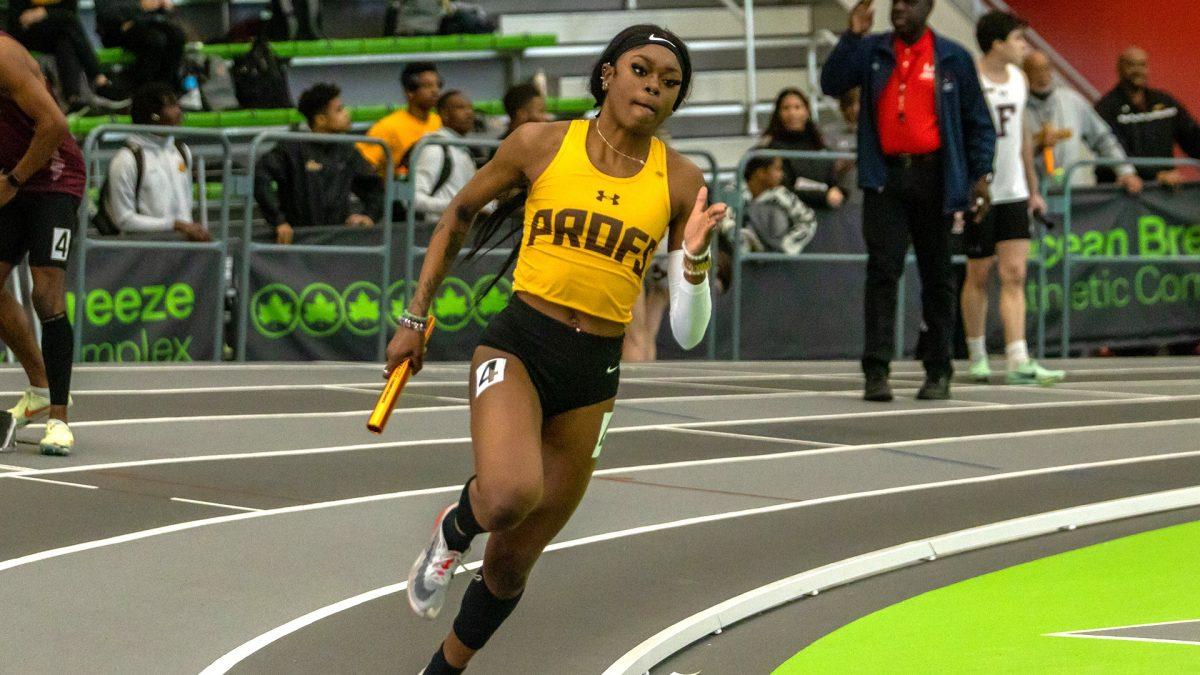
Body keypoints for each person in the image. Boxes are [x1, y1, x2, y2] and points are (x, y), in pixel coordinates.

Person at [385, 25, 725, 673]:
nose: (653, 84)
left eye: (670, 80)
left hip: (592, 375)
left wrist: (697, 257)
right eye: (641, 68)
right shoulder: (541, 142)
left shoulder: (681, 180)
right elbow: (457, 215)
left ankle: (443, 669)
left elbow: (687, 331)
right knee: (509, 493)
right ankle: (458, 525)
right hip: (519, 346)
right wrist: (415, 316)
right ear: (607, 74)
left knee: (511, 565)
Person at [821, 0, 996, 402]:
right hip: (886, 178)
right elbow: (831, 83)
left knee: (938, 277)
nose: (900, 7)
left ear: (929, 7)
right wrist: (851, 37)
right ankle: (876, 371)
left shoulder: (953, 57)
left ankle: (938, 371)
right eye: (895, 0)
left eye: (910, 1)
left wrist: (981, 177)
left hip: (936, 179)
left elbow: (979, 125)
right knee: (883, 273)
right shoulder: (873, 49)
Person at [961, 11, 1063, 386]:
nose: (1025, 46)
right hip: (981, 193)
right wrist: (966, 186)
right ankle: (977, 353)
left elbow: (1020, 137)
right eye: (1018, 38)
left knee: (1015, 273)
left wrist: (1033, 188)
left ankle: (1018, 357)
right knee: (979, 273)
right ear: (997, 43)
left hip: (1014, 190)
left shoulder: (1019, 80)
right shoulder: (970, 77)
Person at [0, 33, 87, 455]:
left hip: (52, 176)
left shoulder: (3, 56)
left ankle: (58, 418)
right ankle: (38, 388)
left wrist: (14, 180)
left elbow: (55, 124)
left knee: (46, 291)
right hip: (10, 177)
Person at [254, 83, 383, 245]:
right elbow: (260, 178)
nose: (346, 113)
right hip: (298, 241)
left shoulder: (347, 151)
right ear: (321, 119)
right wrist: (278, 221)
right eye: (339, 109)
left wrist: (369, 216)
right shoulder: (291, 148)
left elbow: (375, 189)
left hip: (338, 241)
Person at [1023, 50, 1142, 192]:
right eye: (1035, 70)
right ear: (1025, 74)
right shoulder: (1019, 107)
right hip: (1034, 193)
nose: (1042, 76)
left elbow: (1103, 138)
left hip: (1075, 193)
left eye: (1045, 68)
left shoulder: (1072, 100)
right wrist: (1037, 147)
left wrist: (1125, 171)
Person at [101, 83, 209, 241]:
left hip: (184, 252)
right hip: (145, 253)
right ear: (153, 114)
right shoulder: (127, 159)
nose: (178, 111)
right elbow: (123, 219)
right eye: (170, 105)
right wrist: (175, 225)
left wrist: (190, 228)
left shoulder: (181, 151)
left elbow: (187, 207)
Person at [1095, 47, 1200, 187]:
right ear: (1119, 68)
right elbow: (1114, 150)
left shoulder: (1165, 102)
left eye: (1142, 65)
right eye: (1131, 65)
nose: (1137, 70)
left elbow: (1192, 137)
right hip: (1122, 195)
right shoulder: (1106, 108)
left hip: (1165, 192)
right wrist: (1156, 175)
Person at [7, 0, 119, 112]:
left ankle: (74, 99)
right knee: (69, 23)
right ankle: (98, 79)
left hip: (58, 29)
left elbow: (69, 11)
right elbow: (19, 19)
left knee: (65, 41)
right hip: (27, 31)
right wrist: (48, 13)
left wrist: (46, 12)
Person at [761, 87, 847, 209]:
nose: (792, 113)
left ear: (807, 112)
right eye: (786, 108)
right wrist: (822, 196)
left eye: (797, 107)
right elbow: (781, 189)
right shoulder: (771, 148)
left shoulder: (820, 145)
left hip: (825, 214)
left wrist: (839, 192)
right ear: (778, 114)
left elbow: (833, 181)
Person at [359, 61, 442, 178]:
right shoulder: (387, 126)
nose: (435, 91)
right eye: (428, 86)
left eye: (438, 85)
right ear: (409, 91)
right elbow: (363, 166)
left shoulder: (441, 122)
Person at [94, 0, 187, 95]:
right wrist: (140, 6)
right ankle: (143, 91)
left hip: (143, 21)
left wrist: (162, 5)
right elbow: (107, 12)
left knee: (177, 36)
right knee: (154, 40)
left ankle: (167, 89)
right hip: (116, 29)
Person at [412, 90, 480, 219]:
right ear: (444, 114)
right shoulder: (435, 148)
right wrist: (460, 207)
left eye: (471, 108)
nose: (469, 113)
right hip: (434, 231)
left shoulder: (463, 151)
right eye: (461, 108)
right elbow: (414, 199)